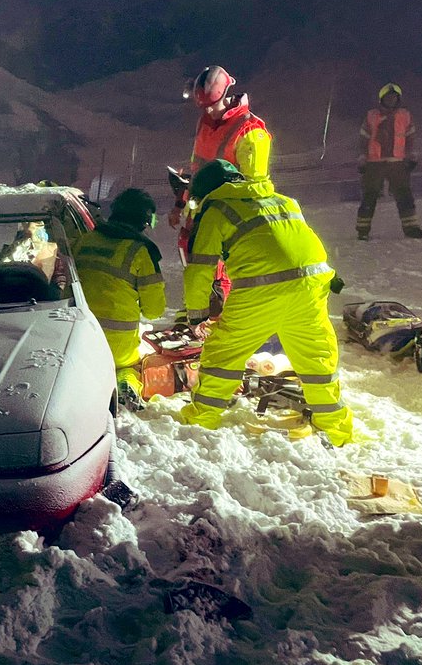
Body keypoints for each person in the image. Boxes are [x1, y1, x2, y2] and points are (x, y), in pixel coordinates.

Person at [176, 160, 352, 446]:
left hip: (260, 293)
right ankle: (336, 427)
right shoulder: (284, 201)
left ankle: (201, 419)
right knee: (317, 359)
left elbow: (199, 269)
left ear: (206, 191)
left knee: (223, 355)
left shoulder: (217, 209)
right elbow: (298, 244)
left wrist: (197, 316)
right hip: (311, 287)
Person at [171, 65, 273, 311]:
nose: (208, 111)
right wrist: (181, 202)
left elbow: (252, 187)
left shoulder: (251, 131)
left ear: (227, 95)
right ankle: (200, 308)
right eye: (203, 106)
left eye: (211, 105)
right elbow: (197, 168)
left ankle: (217, 313)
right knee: (194, 256)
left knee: (219, 266)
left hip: (227, 210)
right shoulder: (205, 123)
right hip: (202, 206)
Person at [73, 188, 166, 411]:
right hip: (118, 343)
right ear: (144, 221)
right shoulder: (140, 251)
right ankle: (127, 384)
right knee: (131, 365)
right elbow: (154, 310)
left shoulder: (85, 241)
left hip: (80, 337)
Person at [356, 83, 422, 240]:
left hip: (397, 163)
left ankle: (412, 229)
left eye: (394, 97)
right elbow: (363, 138)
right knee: (370, 196)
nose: (391, 100)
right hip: (374, 163)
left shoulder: (405, 115)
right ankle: (363, 230)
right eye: (388, 97)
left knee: (404, 196)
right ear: (382, 99)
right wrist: (362, 157)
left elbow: (410, 138)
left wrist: (411, 155)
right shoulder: (371, 116)